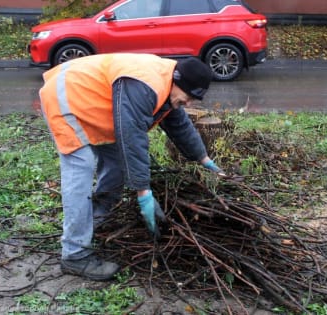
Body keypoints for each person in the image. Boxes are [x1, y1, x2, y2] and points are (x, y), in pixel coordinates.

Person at [39, 53, 224, 281]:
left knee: (116, 164)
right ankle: (75, 254)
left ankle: (95, 221)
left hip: (94, 106)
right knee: (81, 169)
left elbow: (179, 124)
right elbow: (132, 136)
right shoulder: (146, 85)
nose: (189, 103)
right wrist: (143, 192)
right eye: (188, 97)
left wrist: (204, 159)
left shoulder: (167, 86)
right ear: (177, 81)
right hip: (68, 96)